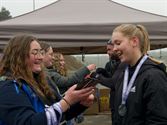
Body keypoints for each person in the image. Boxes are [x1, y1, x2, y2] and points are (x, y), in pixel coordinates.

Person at [0, 34, 95, 125]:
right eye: (35, 52)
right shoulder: (8, 87)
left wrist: (81, 104)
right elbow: (28, 122)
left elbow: (58, 116)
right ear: (18, 56)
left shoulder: (40, 80)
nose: (41, 57)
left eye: (41, 52)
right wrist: (67, 101)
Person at [98, 24, 167, 125]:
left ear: (134, 41)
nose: (114, 49)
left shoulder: (153, 76)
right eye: (113, 45)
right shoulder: (124, 72)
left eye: (118, 43)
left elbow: (158, 120)